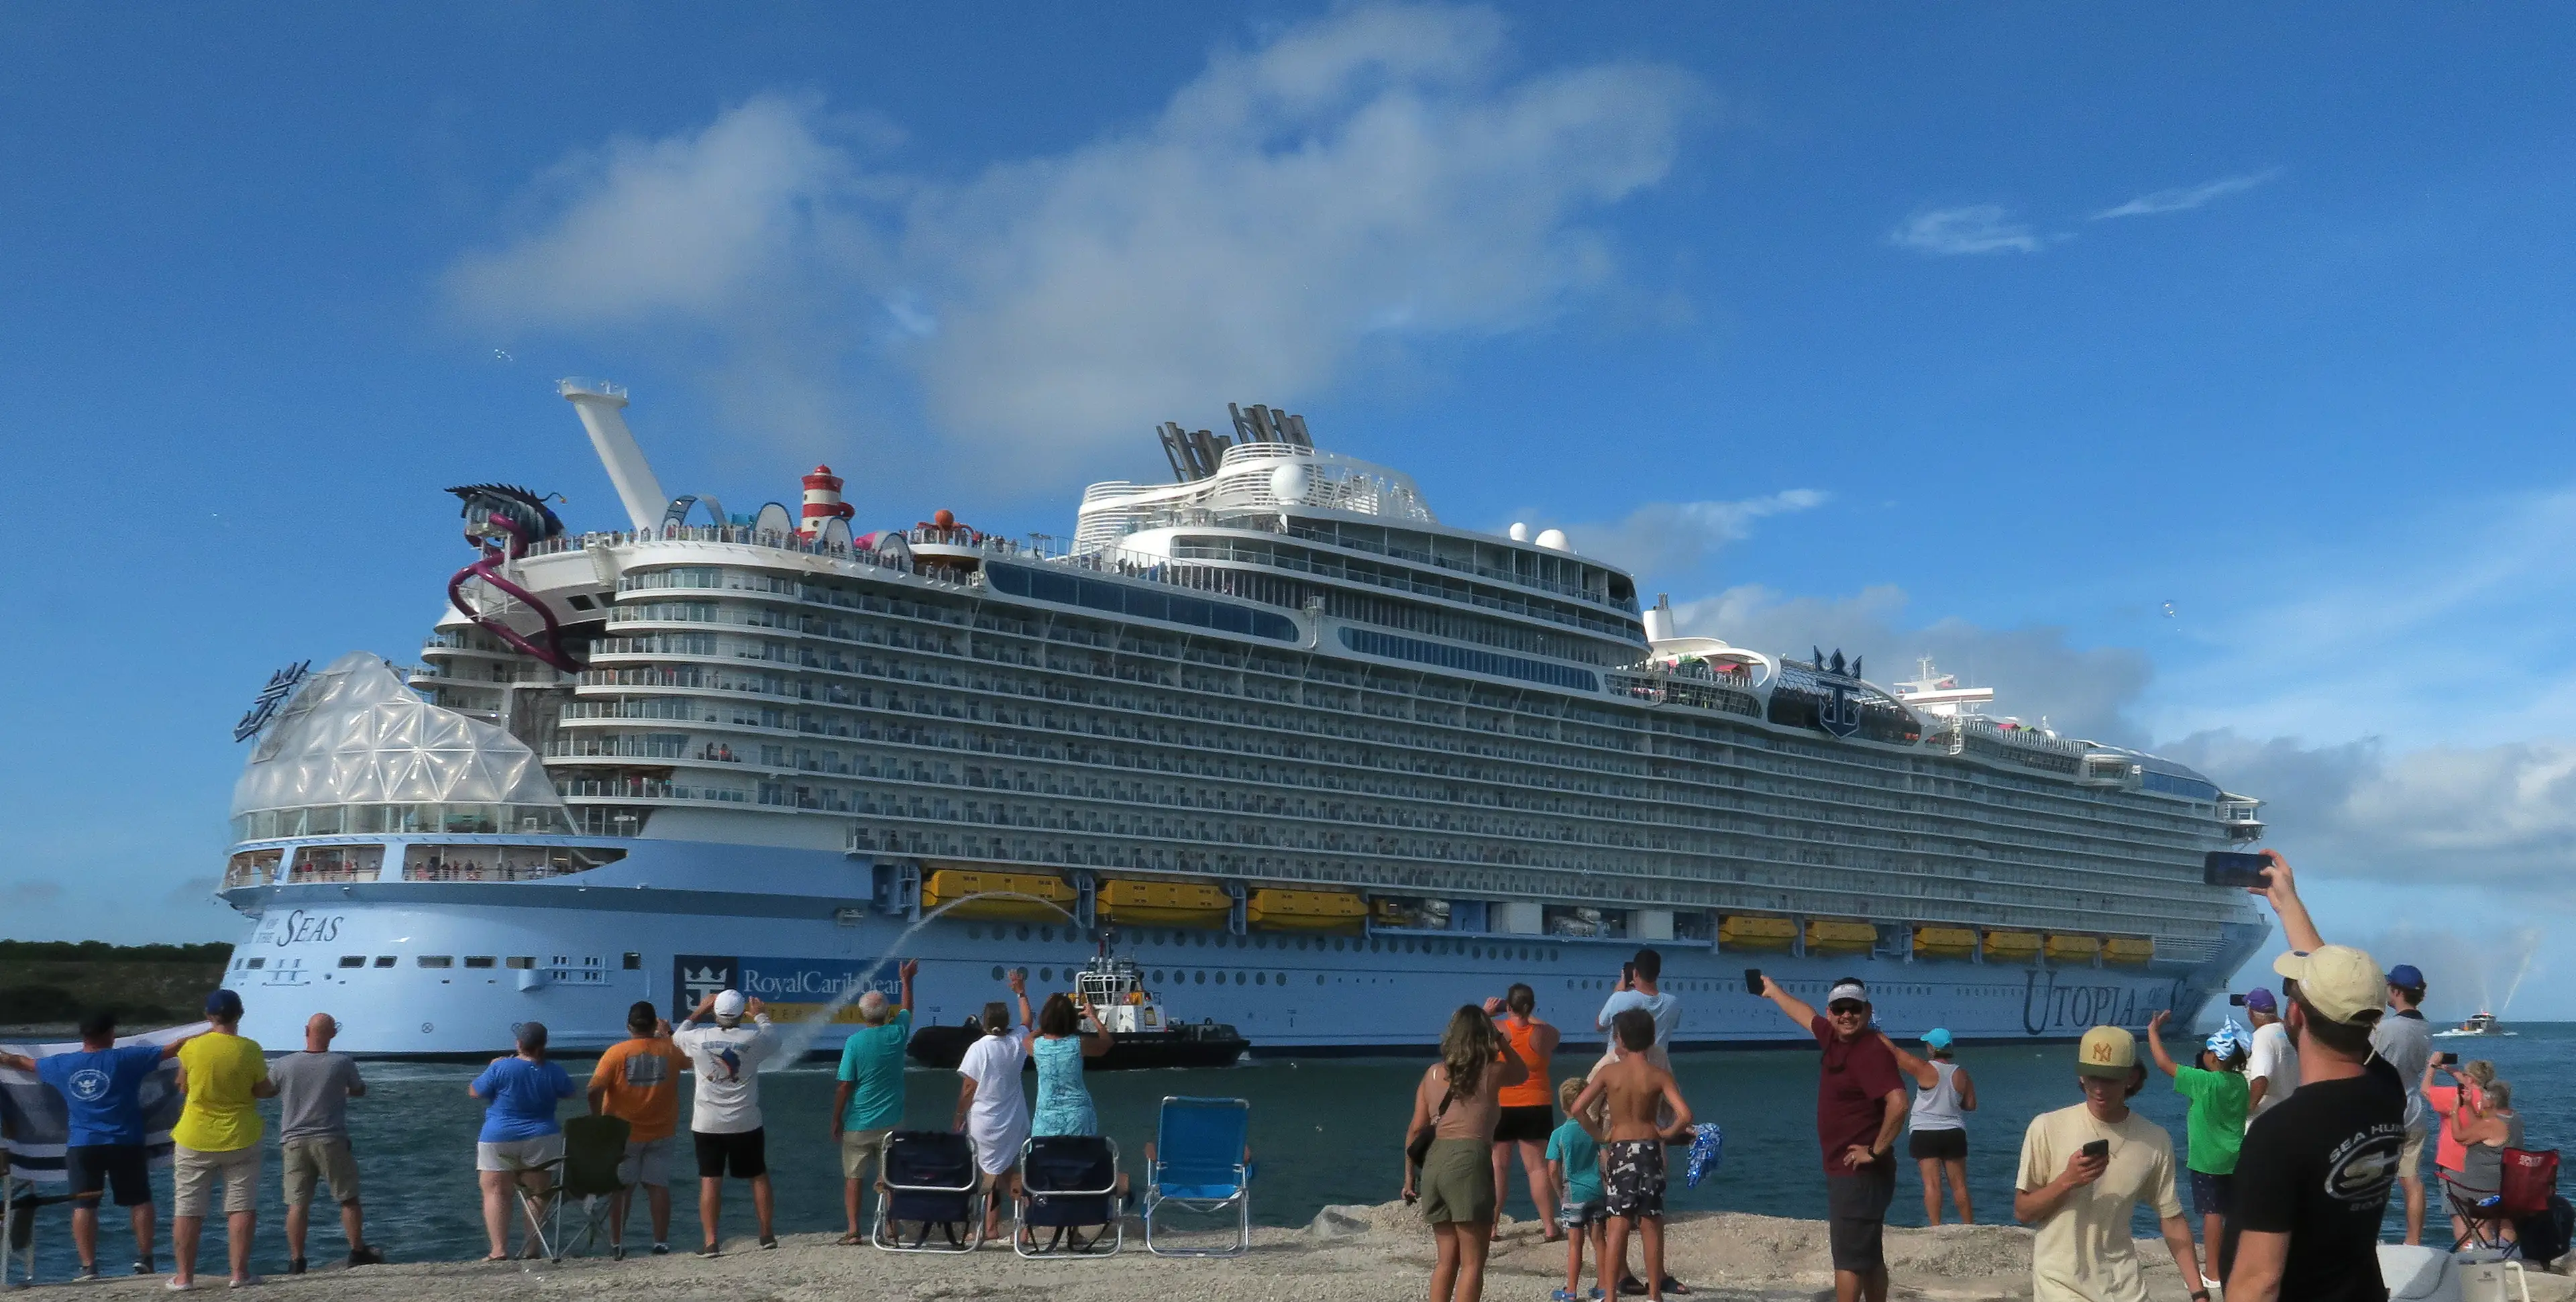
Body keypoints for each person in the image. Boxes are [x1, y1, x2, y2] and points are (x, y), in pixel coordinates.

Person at [2218, 851, 2407, 1302]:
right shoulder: (2387, 1091)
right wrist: (2287, 903)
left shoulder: (2279, 1134)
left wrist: (2288, 903)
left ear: (2295, 1014)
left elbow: (2258, 1282)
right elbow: (2346, 998)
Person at [2013, 1026, 2201, 1302]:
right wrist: (2067, 1180)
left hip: (2126, 1288)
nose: (2099, 1089)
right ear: (2081, 1075)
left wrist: (2199, 1293)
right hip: (2061, 1287)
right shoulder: (2046, 1127)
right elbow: (2023, 1211)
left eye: (2110, 1079)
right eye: (2092, 1078)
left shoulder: (2155, 1139)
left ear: (2131, 1077)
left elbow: (2171, 1219)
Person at [0, 1012, 189, 1279]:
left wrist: (4, 1057)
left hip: (83, 1145)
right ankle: (145, 1259)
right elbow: (175, 1047)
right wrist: (214, 1029)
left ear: (84, 1036)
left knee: (84, 1206)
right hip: (125, 1141)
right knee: (140, 1201)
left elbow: (24, 1063)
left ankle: (89, 1266)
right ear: (111, 1034)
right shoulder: (126, 1058)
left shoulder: (63, 1064)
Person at [1760, 975, 1907, 1302]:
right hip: (1853, 1175)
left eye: (1854, 1008)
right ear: (1831, 1013)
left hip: (1858, 1174)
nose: (1847, 1015)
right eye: (1840, 1008)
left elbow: (1899, 1102)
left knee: (1848, 1262)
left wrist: (1875, 1151)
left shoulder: (1870, 1050)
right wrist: (1773, 992)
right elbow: (1804, 1015)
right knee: (1867, 1253)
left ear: (1867, 1011)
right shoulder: (1834, 1038)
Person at [1401, 1004, 1527, 1302]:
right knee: (1473, 1262)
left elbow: (1415, 1131)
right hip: (1469, 1158)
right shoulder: (1490, 1072)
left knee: (1446, 1260)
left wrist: (1409, 1179)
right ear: (1484, 1037)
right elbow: (1522, 1071)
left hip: (1434, 1163)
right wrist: (1497, 1036)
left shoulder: (1433, 1074)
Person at [1570, 1010, 1694, 1302]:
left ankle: (1611, 1295)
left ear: (1620, 1039)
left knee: (1618, 1223)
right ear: (1651, 1039)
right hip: (1650, 1148)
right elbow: (1685, 1114)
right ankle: (1654, 1295)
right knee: (1651, 1221)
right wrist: (1665, 1133)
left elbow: (1577, 1108)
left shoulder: (1609, 1072)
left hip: (1621, 1148)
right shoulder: (1658, 1074)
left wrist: (1599, 1135)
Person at [169, 989, 276, 1290]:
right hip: (241, 1134)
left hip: (195, 1135)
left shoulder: (191, 1048)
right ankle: (239, 1274)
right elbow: (263, 1089)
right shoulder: (251, 1050)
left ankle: (184, 1278)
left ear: (208, 1016)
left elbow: (182, 1085)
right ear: (240, 1015)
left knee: (188, 1208)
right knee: (241, 1206)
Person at [270, 1012, 383, 1273]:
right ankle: (357, 1250)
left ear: (306, 1031)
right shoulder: (341, 1063)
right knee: (348, 1198)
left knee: (297, 1203)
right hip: (331, 1138)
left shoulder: (283, 1064)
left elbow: (267, 1090)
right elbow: (359, 1089)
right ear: (332, 1034)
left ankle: (297, 1260)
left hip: (293, 1140)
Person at [672, 989, 782, 1256]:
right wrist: (761, 1016)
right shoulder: (753, 1039)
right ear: (741, 1013)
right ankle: (766, 1235)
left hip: (707, 1122)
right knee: (758, 1175)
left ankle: (711, 1242)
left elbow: (676, 1037)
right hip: (745, 1120)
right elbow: (775, 1039)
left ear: (715, 1012)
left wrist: (699, 1011)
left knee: (710, 1180)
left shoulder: (697, 1038)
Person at [2145, 1011, 2248, 1293]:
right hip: (2235, 1157)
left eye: (2208, 1050)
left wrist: (2153, 1031)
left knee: (2212, 1214)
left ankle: (2213, 1273)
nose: (2203, 1054)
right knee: (2231, 1212)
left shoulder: (2204, 1082)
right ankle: (2232, 1264)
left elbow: (2164, 1063)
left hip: (2208, 1161)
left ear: (2215, 1057)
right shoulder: (2239, 1083)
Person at [468, 1021, 578, 1262]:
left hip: (499, 1136)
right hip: (542, 1136)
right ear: (544, 1044)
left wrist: (492, 1066)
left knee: (496, 1191)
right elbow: (571, 1092)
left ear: (519, 1044)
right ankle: (532, 1249)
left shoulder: (501, 1068)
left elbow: (475, 1092)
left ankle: (499, 1249)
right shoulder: (553, 1070)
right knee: (537, 1193)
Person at [588, 1000, 687, 1258]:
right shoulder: (671, 1050)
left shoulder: (616, 1053)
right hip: (662, 1131)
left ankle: (617, 1243)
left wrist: (597, 1120)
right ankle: (661, 1243)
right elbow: (690, 1059)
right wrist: (669, 1034)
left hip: (622, 1134)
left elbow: (594, 1089)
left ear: (628, 1026)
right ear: (655, 1024)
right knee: (658, 1187)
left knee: (622, 1189)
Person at [831, 961, 916, 1245]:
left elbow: (845, 1085)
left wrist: (836, 1118)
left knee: (853, 1177)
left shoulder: (854, 1043)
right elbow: (908, 1010)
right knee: (890, 1177)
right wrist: (906, 981)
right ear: (886, 1013)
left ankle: (854, 1230)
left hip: (858, 1122)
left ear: (862, 1014)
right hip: (892, 1122)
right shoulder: (897, 1034)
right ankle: (891, 1228)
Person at [952, 972, 1032, 1243]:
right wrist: (1021, 993)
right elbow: (1028, 1022)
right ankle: (1027, 1224)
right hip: (1014, 1119)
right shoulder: (1015, 1043)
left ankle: (990, 1228)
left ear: (984, 1021)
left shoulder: (978, 1048)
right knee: (1010, 1173)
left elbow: (968, 1088)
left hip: (985, 1121)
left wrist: (959, 1115)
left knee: (989, 1175)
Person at [1489, 985, 1562, 1241]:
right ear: (1531, 1008)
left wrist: (1491, 1012)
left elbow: (1469, 1030)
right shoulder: (1544, 1034)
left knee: (1498, 1166)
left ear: (1508, 1006)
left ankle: (1492, 1227)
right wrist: (1527, 1013)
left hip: (1501, 1104)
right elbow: (1556, 1033)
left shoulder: (1497, 1030)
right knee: (1537, 1168)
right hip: (1536, 1103)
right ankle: (1550, 1227)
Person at [2371, 963, 2435, 1244]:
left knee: (2374, 1180)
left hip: (2386, 1106)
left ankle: (2368, 1236)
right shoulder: (2425, 1028)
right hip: (2414, 1106)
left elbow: (2366, 1061)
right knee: (2411, 1178)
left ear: (2395, 991)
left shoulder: (2386, 1029)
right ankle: (2413, 1241)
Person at [1894, 1028, 1976, 1226]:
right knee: (1959, 1185)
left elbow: (1895, 1054)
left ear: (1931, 1048)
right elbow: (1971, 1105)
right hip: (1953, 1131)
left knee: (1931, 1184)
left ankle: (1936, 1227)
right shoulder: (1961, 1074)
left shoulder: (1924, 1069)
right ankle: (1969, 1225)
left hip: (1925, 1131)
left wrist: (1874, 1032)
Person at [1546, 1076, 1608, 1302]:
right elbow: (1605, 1159)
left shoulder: (1559, 1134)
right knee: (1599, 1239)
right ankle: (1604, 1287)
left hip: (1574, 1192)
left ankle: (1570, 1291)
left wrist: (1560, 1194)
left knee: (1575, 1243)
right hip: (1596, 1190)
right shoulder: (1594, 1130)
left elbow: (1553, 1169)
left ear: (1562, 1104)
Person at [1030, 988, 1115, 1138]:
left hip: (1046, 1117)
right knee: (1081, 1158)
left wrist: (1049, 1023)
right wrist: (1093, 1017)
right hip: (1078, 1116)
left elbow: (1026, 1039)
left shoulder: (1036, 1046)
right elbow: (1107, 1043)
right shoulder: (1078, 1044)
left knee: (1045, 1157)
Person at [2446, 1079, 2522, 1246]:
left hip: (2482, 1187)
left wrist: (2453, 1111)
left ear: (2492, 1102)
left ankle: (2489, 1256)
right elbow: (2480, 1126)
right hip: (2506, 1186)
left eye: (2484, 1098)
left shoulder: (2491, 1124)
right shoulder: (2513, 1118)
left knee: (2480, 1222)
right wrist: (2468, 1105)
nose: (2480, 1101)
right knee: (2505, 1220)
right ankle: (2512, 1255)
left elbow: (2460, 1137)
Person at [2425, 1057, 2496, 1217]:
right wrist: (2451, 1070)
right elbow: (2475, 1085)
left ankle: (2467, 1243)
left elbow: (2426, 1090)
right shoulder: (2491, 1099)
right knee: (2483, 1217)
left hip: (2454, 1164)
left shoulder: (2456, 1096)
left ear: (2469, 1078)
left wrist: (2432, 1066)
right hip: (2483, 1165)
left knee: (2459, 1216)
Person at [2241, 987, 2298, 1122]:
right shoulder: (2289, 1034)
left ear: (2251, 1012)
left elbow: (2262, 1077)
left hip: (2265, 1119)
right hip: (2290, 1114)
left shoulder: (2262, 1037)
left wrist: (2245, 1110)